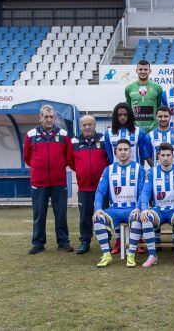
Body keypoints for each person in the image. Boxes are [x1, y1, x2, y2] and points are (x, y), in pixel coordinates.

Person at [24, 105, 74, 254]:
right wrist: (38, 168)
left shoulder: (64, 134)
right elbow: (27, 157)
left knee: (61, 213)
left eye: (51, 117)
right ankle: (38, 244)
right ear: (40, 118)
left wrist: (57, 167)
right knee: (39, 214)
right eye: (46, 117)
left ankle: (63, 242)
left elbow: (68, 156)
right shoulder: (31, 134)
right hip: (39, 182)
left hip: (58, 181)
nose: (49, 120)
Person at [92, 139, 147, 268]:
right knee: (98, 218)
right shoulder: (109, 170)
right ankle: (106, 254)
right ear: (116, 152)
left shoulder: (139, 169)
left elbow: (143, 192)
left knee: (137, 218)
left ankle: (131, 255)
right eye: (120, 149)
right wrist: (98, 208)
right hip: (114, 209)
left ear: (130, 151)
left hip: (132, 208)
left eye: (125, 149)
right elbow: (100, 191)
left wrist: (139, 207)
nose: (123, 152)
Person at [104, 102, 148, 254]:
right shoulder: (109, 133)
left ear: (129, 115)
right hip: (115, 176)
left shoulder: (138, 132)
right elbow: (110, 155)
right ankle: (118, 241)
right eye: (119, 115)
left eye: (125, 114)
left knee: (137, 206)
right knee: (116, 206)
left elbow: (142, 153)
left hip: (135, 175)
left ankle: (139, 240)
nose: (122, 117)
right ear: (116, 116)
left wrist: (139, 173)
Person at [139, 143, 174, 268]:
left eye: (168, 155)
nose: (166, 158)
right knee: (146, 218)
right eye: (163, 155)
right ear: (158, 156)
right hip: (158, 209)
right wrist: (144, 209)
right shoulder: (151, 172)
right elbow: (145, 192)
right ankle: (152, 255)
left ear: (173, 156)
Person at [68, 115, 110, 254]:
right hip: (84, 187)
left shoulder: (104, 139)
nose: (87, 127)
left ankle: (106, 240)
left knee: (103, 215)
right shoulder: (74, 142)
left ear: (94, 125)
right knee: (85, 216)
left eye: (90, 124)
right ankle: (85, 241)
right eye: (84, 125)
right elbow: (71, 161)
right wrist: (82, 171)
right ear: (80, 126)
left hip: (102, 188)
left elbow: (109, 159)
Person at [125, 59, 163, 133]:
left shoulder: (157, 88)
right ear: (136, 70)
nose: (143, 72)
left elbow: (159, 108)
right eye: (140, 69)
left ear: (150, 71)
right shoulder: (129, 88)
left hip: (153, 129)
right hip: (135, 129)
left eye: (145, 69)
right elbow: (128, 109)